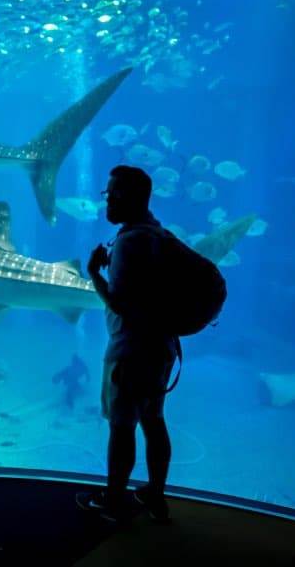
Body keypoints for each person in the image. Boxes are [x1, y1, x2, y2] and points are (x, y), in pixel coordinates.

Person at [76, 165, 178, 522]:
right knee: (153, 421)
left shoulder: (130, 241)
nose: (108, 200)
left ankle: (115, 501)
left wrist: (93, 273)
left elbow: (121, 304)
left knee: (121, 428)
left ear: (133, 196)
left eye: (114, 192)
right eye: (107, 192)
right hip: (162, 348)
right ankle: (155, 493)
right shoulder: (157, 234)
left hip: (131, 351)